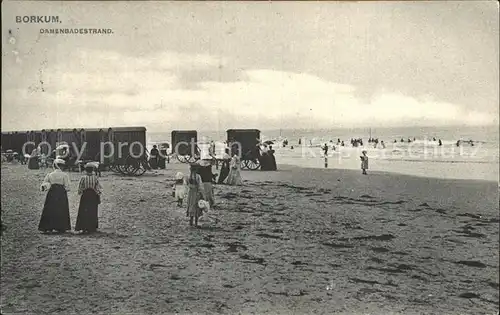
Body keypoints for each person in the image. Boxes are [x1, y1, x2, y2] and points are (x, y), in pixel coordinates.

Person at [38, 159, 71, 233]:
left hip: (52, 193)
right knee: (61, 209)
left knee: (50, 208)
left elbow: (45, 184)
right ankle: (61, 227)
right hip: (61, 193)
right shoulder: (64, 175)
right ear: (60, 166)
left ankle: (48, 227)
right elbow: (67, 186)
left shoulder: (50, 174)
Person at [75, 164, 103, 234]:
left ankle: (84, 227)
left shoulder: (83, 178)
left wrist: (80, 192)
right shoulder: (95, 178)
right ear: (92, 170)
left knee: (84, 211)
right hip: (93, 195)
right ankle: (92, 227)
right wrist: (98, 194)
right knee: (93, 210)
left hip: (85, 195)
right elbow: (98, 188)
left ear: (85, 170)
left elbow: (80, 188)